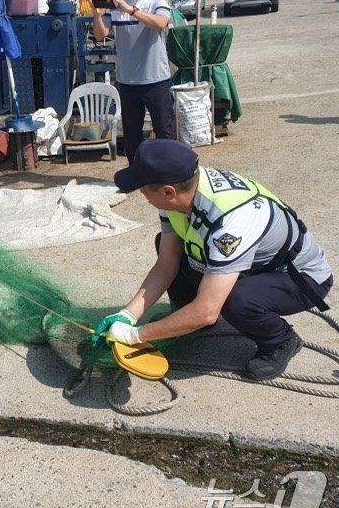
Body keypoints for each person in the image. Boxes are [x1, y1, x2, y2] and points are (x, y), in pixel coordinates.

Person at [93, 139, 333, 381]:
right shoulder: (180, 189)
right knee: (169, 246)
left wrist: (137, 335)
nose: (142, 194)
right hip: (252, 264)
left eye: (143, 188)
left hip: (298, 276)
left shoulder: (231, 222)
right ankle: (184, 318)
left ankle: (280, 339)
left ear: (168, 191)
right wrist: (128, 316)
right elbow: (167, 264)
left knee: (235, 299)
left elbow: (206, 311)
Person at [90, 0, 175, 166]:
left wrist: (130, 10)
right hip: (127, 81)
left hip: (156, 79)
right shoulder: (116, 3)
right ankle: (136, 173)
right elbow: (99, 34)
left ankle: (170, 173)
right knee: (131, 134)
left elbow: (161, 23)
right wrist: (97, 16)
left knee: (163, 131)